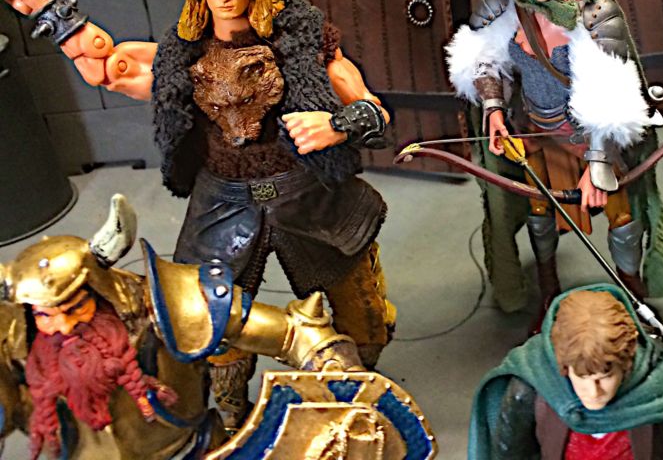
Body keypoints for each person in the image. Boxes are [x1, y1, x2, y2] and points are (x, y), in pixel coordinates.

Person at [0, 0, 395, 425]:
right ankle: (232, 414)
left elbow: (374, 112)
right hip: (224, 201)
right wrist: (43, 5)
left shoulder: (302, 42)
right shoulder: (183, 54)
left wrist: (337, 124)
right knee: (212, 318)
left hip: (306, 191)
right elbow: (107, 67)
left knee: (361, 313)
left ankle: (362, 389)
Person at [0, 195, 433, 460]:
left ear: (100, 288)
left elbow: (290, 331)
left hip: (184, 451)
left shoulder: (165, 302)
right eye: (45, 315)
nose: (62, 325)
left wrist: (332, 365)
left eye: (75, 307)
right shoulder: (15, 342)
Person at [445, 0, 663, 315]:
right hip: (537, 132)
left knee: (621, 217)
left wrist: (598, 164)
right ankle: (548, 291)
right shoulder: (504, 1)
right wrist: (494, 108)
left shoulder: (595, 10)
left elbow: (613, 89)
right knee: (540, 216)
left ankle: (632, 297)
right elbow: (482, 54)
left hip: (592, 136)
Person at [469, 285, 663, 459]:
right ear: (564, 367)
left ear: (627, 364)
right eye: (583, 378)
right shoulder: (533, 388)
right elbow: (509, 454)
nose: (594, 392)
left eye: (605, 377)